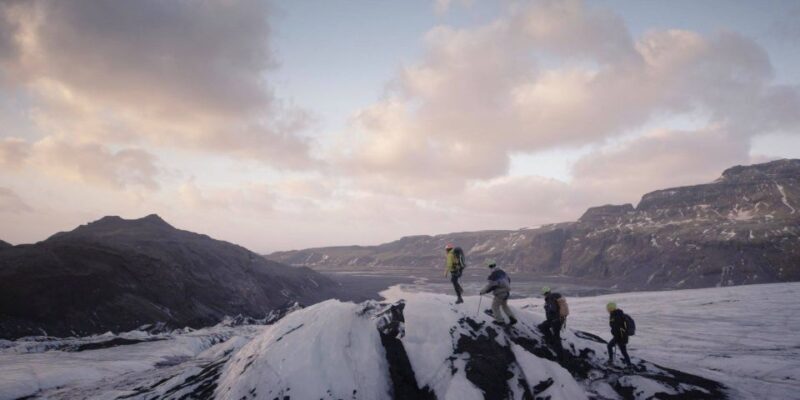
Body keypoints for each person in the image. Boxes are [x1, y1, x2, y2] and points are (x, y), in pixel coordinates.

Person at [479, 260, 517, 325]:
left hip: (500, 293)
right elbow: (509, 280)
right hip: (507, 292)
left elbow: (491, 285)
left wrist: (483, 291)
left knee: (494, 307)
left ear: (489, 266)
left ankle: (500, 321)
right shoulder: (502, 272)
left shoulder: (493, 275)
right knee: (504, 306)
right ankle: (512, 319)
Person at [537, 287, 567, 358]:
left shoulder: (550, 298)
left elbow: (553, 309)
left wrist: (548, 308)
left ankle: (560, 356)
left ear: (545, 293)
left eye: (544, 294)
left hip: (555, 320)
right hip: (558, 320)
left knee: (556, 337)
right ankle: (551, 342)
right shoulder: (555, 297)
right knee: (544, 327)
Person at [606, 302, 632, 367]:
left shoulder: (616, 316)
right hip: (621, 336)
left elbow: (617, 328)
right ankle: (629, 365)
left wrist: (616, 337)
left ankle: (629, 366)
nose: (607, 310)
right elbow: (615, 327)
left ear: (611, 308)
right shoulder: (616, 314)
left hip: (620, 337)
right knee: (622, 351)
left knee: (611, 346)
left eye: (608, 308)